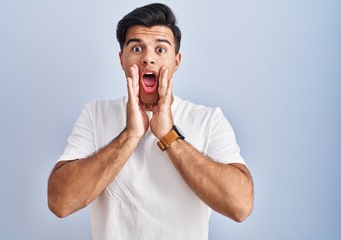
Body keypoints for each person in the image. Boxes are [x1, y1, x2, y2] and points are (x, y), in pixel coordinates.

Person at [48, 3, 253, 240]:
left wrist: (169, 136)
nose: (148, 59)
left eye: (161, 50)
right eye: (136, 48)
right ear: (121, 59)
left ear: (177, 61)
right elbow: (60, 202)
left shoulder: (209, 120)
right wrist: (130, 135)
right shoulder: (95, 115)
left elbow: (241, 206)